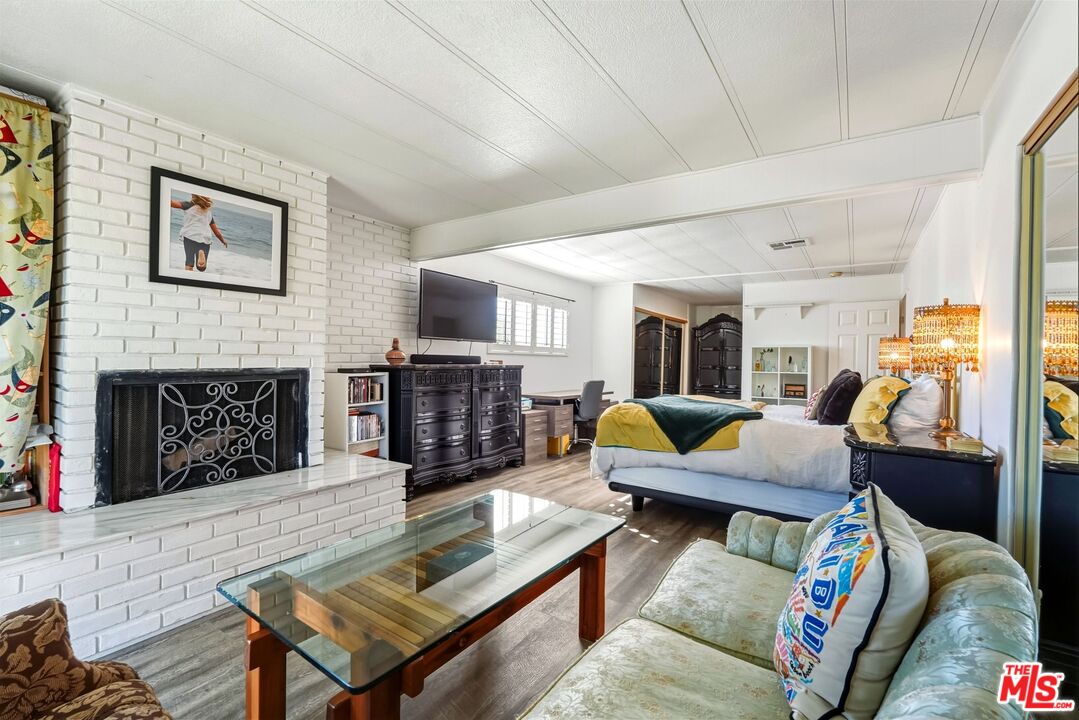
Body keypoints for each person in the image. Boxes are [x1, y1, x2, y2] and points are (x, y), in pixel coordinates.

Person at [169, 194, 227, 271]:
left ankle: (188, 280)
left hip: (190, 236)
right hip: (205, 239)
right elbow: (217, 232)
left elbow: (172, 203)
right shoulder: (208, 213)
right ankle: (201, 252)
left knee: (189, 262)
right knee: (201, 268)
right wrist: (223, 241)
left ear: (194, 197)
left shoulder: (188, 205)